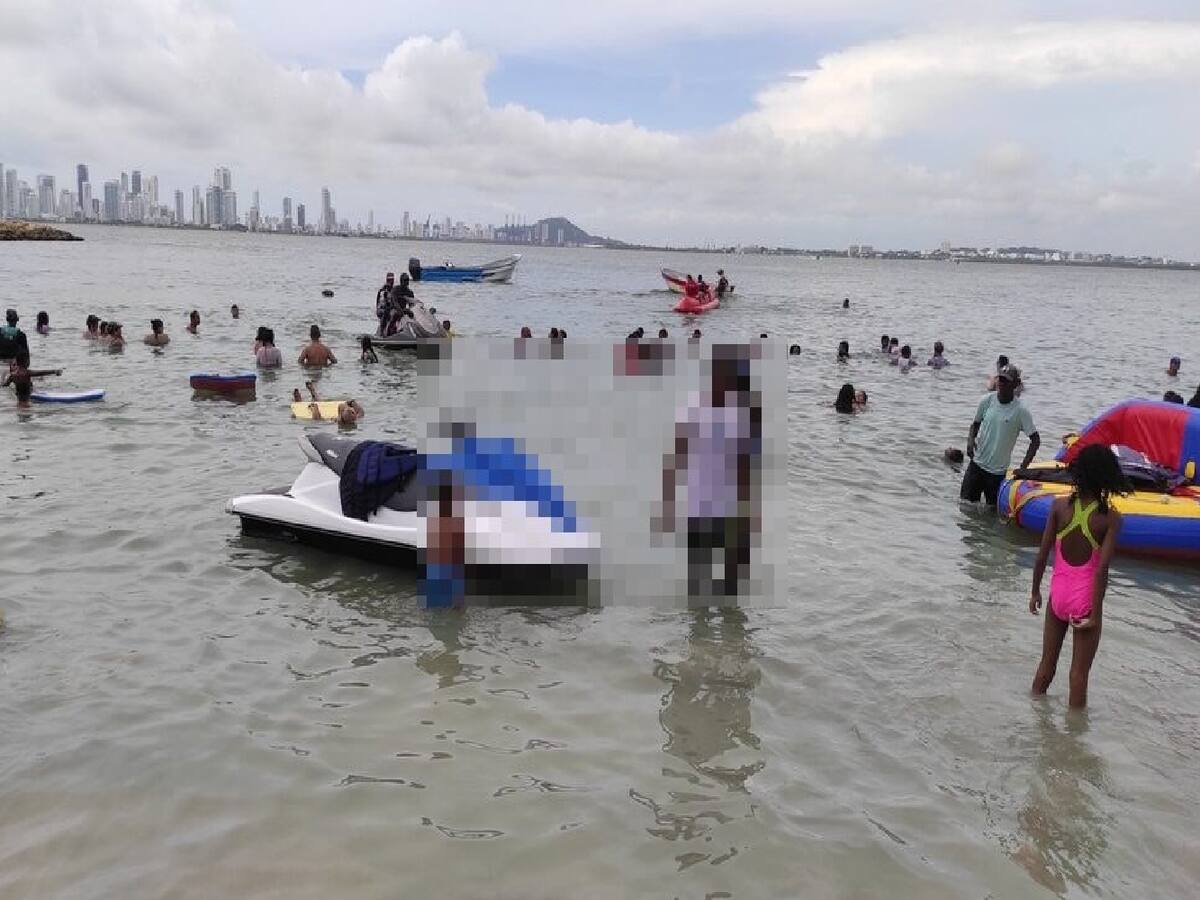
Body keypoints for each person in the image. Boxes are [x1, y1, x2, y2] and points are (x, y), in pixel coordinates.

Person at [1029, 444, 1129, 708]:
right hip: (1085, 603)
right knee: (1078, 676)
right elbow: (1101, 569)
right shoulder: (1110, 519)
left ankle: (1034, 712)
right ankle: (1073, 741)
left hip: (1057, 598)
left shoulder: (1059, 507)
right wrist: (1095, 615)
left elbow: (1041, 555)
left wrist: (1035, 591)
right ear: (1108, 477)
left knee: (1045, 667)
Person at [657, 356, 758, 598]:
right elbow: (674, 457)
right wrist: (668, 502)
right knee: (699, 584)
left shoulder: (742, 413)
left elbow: (747, 466)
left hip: (731, 507)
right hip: (700, 506)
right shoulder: (694, 409)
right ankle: (704, 634)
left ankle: (728, 634)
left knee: (732, 588)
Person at [961, 364, 1041, 506]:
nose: (1001, 383)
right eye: (1000, 379)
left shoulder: (1021, 410)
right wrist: (970, 440)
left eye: (1006, 381)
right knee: (965, 507)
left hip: (997, 474)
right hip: (976, 466)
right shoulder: (987, 401)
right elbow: (975, 424)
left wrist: (1023, 467)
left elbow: (1035, 440)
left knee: (991, 514)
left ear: (1015, 384)